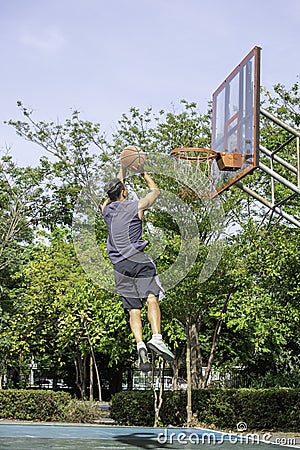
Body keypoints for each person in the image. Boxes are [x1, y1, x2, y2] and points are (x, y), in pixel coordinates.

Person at [101, 162, 174, 372]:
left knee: (134, 309)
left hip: (119, 266)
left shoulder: (106, 210)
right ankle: (157, 338)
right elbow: (155, 192)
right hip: (139, 261)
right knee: (152, 297)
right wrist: (143, 173)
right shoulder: (136, 206)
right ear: (124, 192)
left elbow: (114, 192)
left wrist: (122, 170)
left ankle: (140, 344)